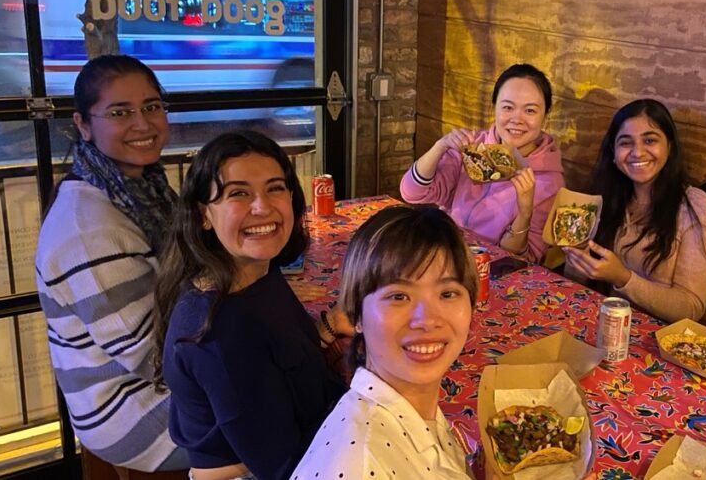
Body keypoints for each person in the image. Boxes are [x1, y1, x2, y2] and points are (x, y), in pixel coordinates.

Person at [153, 131, 345, 480]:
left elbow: (284, 361)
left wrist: (328, 329)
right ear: (204, 215)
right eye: (238, 193)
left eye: (275, 188)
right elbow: (283, 465)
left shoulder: (254, 274)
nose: (263, 207)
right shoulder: (220, 334)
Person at [35, 55, 186, 472]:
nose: (143, 123)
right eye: (120, 112)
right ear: (83, 125)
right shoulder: (91, 226)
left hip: (134, 392)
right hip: (131, 413)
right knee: (300, 411)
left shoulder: (139, 188)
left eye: (152, 107)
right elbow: (152, 358)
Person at [290, 205, 477, 479]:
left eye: (448, 293)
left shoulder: (409, 409)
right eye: (399, 296)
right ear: (356, 316)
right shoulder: (361, 466)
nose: (427, 320)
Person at [564, 99, 706, 322]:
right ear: (613, 152)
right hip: (600, 324)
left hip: (656, 344)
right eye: (625, 142)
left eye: (650, 140)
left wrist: (623, 278)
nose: (637, 152)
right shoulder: (605, 199)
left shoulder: (698, 208)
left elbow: (690, 309)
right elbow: (576, 286)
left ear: (669, 146)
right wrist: (577, 262)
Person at [399, 63, 564, 262]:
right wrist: (440, 146)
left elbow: (520, 260)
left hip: (490, 271)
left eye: (530, 111)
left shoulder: (549, 182)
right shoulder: (472, 148)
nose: (517, 119)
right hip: (446, 254)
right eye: (508, 107)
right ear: (494, 108)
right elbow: (412, 193)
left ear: (545, 116)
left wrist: (525, 211)